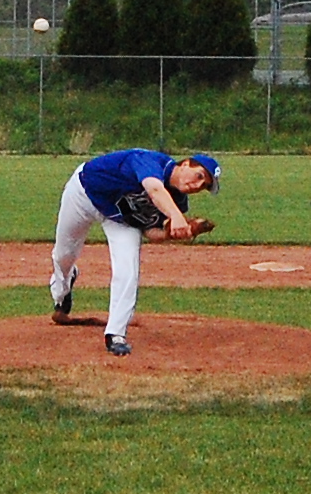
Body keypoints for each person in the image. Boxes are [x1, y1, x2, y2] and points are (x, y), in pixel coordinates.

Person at [47, 148, 219, 357]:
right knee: (64, 255)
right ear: (185, 164)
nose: (198, 185)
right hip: (84, 194)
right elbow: (154, 189)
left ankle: (116, 334)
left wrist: (173, 233)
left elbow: (151, 231)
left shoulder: (178, 203)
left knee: (128, 269)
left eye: (204, 185)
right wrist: (176, 217)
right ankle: (62, 290)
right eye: (199, 176)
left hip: (119, 219)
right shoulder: (150, 161)